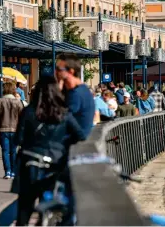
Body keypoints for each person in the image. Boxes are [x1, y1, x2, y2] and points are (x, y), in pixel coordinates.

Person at [13, 76, 87, 226]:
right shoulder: (63, 112)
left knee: (25, 206)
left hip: (30, 162)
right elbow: (80, 135)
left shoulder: (29, 112)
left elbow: (18, 139)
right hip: (55, 163)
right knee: (50, 203)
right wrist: (62, 144)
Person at [55, 54, 95, 226]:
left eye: (59, 69)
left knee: (68, 193)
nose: (55, 72)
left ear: (70, 71)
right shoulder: (83, 90)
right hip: (77, 147)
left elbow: (63, 116)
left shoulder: (75, 94)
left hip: (71, 148)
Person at [0, 82, 24, 179]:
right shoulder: (18, 102)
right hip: (15, 129)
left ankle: (7, 171)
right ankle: (13, 172)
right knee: (13, 151)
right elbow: (22, 116)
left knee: (5, 151)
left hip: (2, 128)